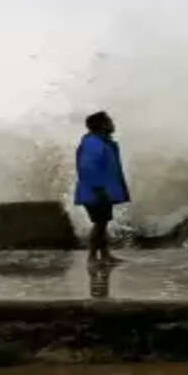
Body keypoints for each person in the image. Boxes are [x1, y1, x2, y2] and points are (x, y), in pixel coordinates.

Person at [75, 111, 130, 263]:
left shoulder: (102, 141)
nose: (113, 124)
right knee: (99, 224)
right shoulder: (93, 142)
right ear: (103, 124)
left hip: (100, 190)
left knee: (103, 223)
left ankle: (105, 255)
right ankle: (92, 257)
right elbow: (88, 167)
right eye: (110, 121)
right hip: (96, 190)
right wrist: (98, 188)